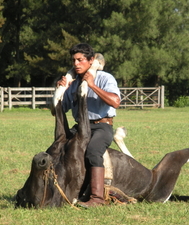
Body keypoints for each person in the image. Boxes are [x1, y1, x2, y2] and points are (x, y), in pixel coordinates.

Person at [57, 43, 121, 207]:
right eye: (74, 60)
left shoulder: (105, 78)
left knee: (93, 152)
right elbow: (59, 110)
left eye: (80, 60)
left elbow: (115, 102)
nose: (76, 64)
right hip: (80, 127)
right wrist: (61, 90)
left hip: (101, 126)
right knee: (59, 149)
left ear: (91, 60)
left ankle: (97, 199)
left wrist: (92, 85)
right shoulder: (73, 83)